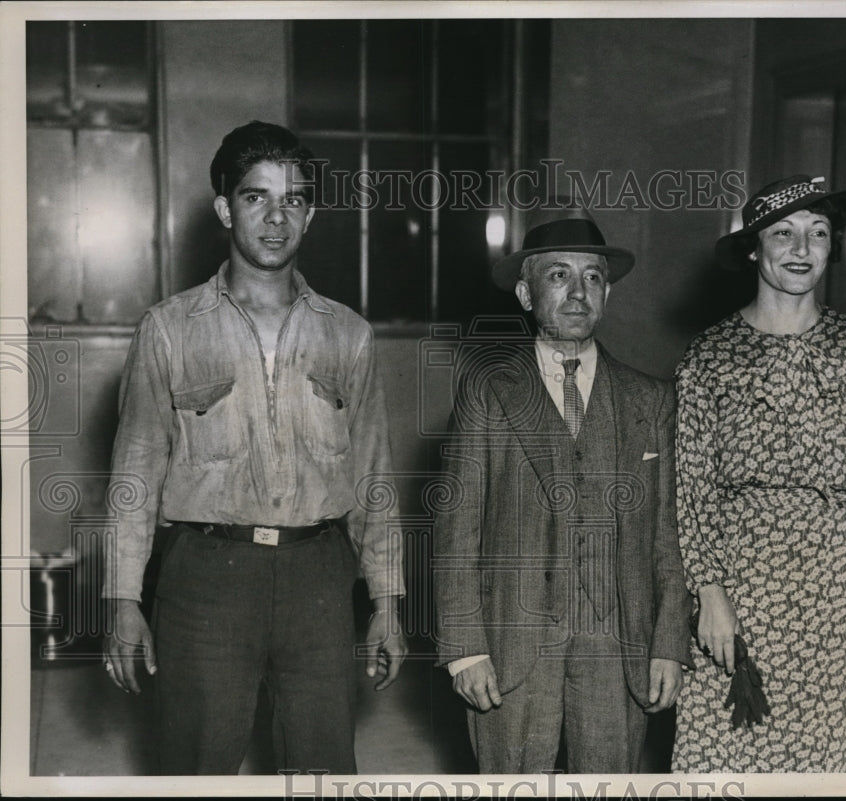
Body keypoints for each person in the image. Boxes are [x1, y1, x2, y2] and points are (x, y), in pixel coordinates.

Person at [101, 121, 407, 775]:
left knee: (324, 770)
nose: (276, 217)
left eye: (293, 199)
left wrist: (387, 600)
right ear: (224, 208)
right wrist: (123, 599)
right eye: (255, 196)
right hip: (206, 578)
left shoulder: (348, 335)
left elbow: (375, 475)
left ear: (311, 213)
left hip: (318, 577)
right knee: (196, 768)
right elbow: (134, 473)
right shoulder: (168, 330)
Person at [671, 175, 846, 772]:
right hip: (741, 577)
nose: (801, 248)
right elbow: (692, 485)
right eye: (783, 233)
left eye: (818, 233)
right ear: (756, 248)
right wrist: (709, 592)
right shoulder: (711, 356)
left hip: (836, 580)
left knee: (821, 755)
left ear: (832, 247)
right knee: (721, 749)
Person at [433, 201, 692, 773]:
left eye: (592, 277)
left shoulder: (649, 399)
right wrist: (464, 649)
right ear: (526, 295)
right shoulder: (488, 391)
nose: (578, 292)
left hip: (617, 648)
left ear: (608, 294)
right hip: (511, 648)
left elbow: (668, 538)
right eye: (558, 275)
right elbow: (457, 531)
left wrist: (669, 643)